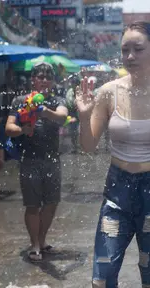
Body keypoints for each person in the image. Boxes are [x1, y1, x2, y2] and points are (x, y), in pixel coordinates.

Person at [76, 21, 150, 287]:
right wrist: (84, 118)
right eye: (125, 49)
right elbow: (88, 146)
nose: (130, 56)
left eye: (138, 49)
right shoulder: (109, 92)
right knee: (102, 277)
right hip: (117, 192)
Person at [5, 62, 68, 262]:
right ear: (33, 79)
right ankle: (34, 244)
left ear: (52, 81)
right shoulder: (20, 101)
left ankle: (41, 240)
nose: (43, 80)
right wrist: (24, 130)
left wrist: (44, 111)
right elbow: (8, 127)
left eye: (48, 77)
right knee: (32, 205)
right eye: (39, 76)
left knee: (51, 202)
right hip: (29, 159)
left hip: (52, 159)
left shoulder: (57, 100)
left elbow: (62, 117)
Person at [65, 74, 80, 153]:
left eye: (75, 83)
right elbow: (67, 102)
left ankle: (82, 147)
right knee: (72, 131)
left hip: (80, 114)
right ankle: (74, 147)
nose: (73, 85)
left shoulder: (81, 91)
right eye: (72, 83)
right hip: (72, 113)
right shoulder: (69, 92)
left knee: (80, 131)